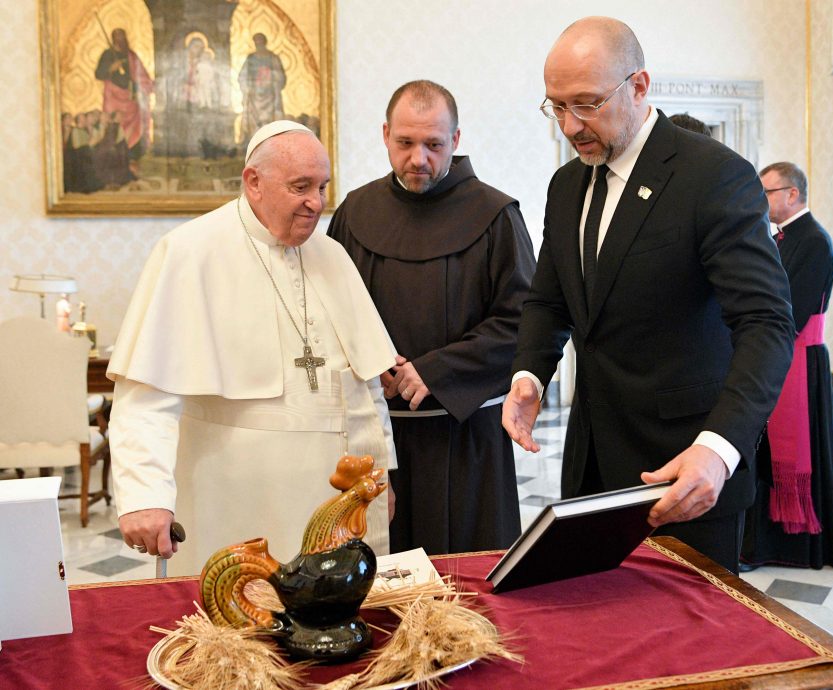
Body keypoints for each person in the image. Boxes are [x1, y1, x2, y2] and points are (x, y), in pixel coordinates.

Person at [503, 17, 796, 574]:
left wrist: (719, 449)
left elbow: (765, 323)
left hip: (684, 468)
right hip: (590, 465)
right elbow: (549, 299)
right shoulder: (567, 186)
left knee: (694, 654)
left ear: (639, 85)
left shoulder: (712, 175)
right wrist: (529, 376)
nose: (570, 125)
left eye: (587, 103)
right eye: (557, 106)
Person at [107, 121, 398, 576]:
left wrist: (380, 481)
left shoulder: (332, 256)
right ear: (254, 183)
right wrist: (144, 495)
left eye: (322, 187)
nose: (316, 203)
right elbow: (146, 394)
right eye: (300, 186)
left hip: (329, 508)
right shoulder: (190, 252)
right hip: (232, 499)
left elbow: (366, 390)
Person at [329, 81, 536, 555]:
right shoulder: (355, 212)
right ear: (385, 135)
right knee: (377, 576)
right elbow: (329, 313)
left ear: (456, 141)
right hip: (377, 435)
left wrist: (438, 370)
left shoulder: (496, 214)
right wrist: (367, 362)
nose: (418, 158)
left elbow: (524, 319)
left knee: (465, 581)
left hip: (465, 438)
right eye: (405, 143)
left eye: (434, 145)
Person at [740, 161, 833, 571]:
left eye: (767, 193)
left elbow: (788, 309)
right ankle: (764, 542)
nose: (762, 201)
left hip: (798, 359)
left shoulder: (812, 239)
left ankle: (795, 544)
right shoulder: (781, 237)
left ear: (791, 194)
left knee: (799, 453)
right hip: (782, 354)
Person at [94, 28, 153, 177]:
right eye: (117, 37)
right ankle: (114, 163)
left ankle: (132, 159)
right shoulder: (108, 55)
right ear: (113, 39)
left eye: (122, 36)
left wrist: (149, 86)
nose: (120, 39)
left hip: (131, 100)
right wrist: (111, 68)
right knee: (113, 128)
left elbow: (141, 76)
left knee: (135, 128)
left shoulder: (131, 56)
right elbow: (98, 74)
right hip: (113, 98)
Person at [238, 33, 287, 144]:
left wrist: (271, 78)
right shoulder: (250, 59)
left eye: (260, 41)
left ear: (264, 42)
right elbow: (242, 76)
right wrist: (248, 87)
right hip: (254, 96)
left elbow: (280, 77)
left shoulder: (273, 58)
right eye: (256, 42)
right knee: (254, 121)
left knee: (270, 121)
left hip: (270, 95)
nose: (258, 44)